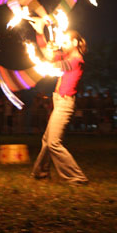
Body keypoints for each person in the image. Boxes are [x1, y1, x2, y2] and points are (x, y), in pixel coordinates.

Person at [30, 17, 88, 185]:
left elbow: (57, 66)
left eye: (66, 41)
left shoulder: (77, 60)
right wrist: (40, 32)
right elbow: (47, 54)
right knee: (47, 140)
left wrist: (45, 62)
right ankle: (40, 173)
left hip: (64, 104)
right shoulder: (67, 55)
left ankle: (77, 177)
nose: (62, 43)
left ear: (75, 42)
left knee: (54, 142)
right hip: (58, 102)